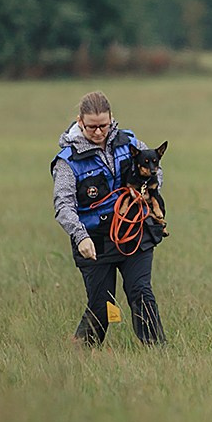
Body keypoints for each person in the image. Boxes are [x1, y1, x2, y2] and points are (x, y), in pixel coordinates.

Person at [51, 90, 167, 347]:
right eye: (92, 127)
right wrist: (79, 236)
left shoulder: (130, 143)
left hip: (134, 235)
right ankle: (78, 352)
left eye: (103, 125)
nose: (99, 132)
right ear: (80, 122)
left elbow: (157, 171)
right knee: (102, 307)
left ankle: (160, 354)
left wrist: (147, 194)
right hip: (95, 242)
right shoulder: (67, 161)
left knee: (141, 293)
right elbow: (63, 205)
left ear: (112, 119)